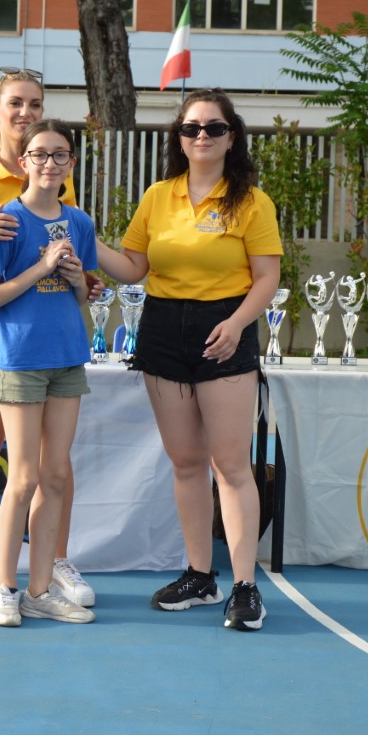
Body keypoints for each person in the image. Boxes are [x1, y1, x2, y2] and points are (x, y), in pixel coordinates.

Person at [96, 88, 283, 632]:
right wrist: (80, 236)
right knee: (185, 463)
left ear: (232, 137)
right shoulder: (158, 196)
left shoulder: (251, 201)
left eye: (214, 128)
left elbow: (267, 277)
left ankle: (245, 587)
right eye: (191, 128)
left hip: (224, 329)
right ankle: (201, 576)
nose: (202, 136)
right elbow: (133, 268)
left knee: (232, 466)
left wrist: (237, 323)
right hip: (162, 328)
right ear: (178, 138)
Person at [0, 66, 95, 611]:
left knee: (55, 464)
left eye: (34, 103)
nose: (25, 112)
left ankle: (51, 565)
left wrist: (82, 280)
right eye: (15, 103)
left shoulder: (59, 180)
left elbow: (72, 257)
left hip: (51, 325)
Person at [0, 119, 98, 627]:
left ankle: (41, 590)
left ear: (71, 163)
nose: (50, 163)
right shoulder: (8, 219)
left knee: (56, 475)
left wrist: (76, 279)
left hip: (67, 357)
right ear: (23, 162)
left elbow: (82, 294)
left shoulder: (80, 223)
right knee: (23, 478)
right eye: (40, 154)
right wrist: (42, 268)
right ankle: (5, 587)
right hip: (21, 360)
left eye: (60, 154)